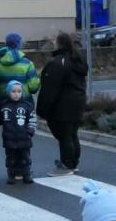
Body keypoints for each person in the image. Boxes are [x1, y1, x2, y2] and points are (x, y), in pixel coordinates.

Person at [38, 32, 88, 177]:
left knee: (64, 136)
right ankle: (73, 163)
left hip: (62, 105)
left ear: (59, 44)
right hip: (78, 102)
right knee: (72, 134)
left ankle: (66, 164)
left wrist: (42, 110)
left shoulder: (57, 63)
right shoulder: (77, 60)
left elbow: (50, 89)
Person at [0, 80, 36, 185]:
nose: (16, 94)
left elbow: (32, 119)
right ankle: (11, 175)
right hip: (9, 138)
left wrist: (30, 130)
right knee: (11, 159)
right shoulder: (4, 106)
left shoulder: (27, 105)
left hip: (24, 138)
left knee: (25, 158)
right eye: (13, 91)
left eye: (19, 91)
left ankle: (26, 175)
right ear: (8, 92)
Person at [0, 33, 40, 99]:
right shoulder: (28, 63)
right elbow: (33, 87)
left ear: (6, 44)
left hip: (3, 101)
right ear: (19, 44)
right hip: (24, 101)